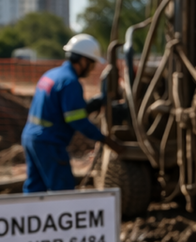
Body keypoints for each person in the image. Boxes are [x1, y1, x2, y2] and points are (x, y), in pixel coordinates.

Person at [22, 34, 123, 193]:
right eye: (91, 64)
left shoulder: (52, 74)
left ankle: (30, 216)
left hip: (31, 137)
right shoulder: (70, 82)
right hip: (49, 142)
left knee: (35, 188)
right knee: (63, 191)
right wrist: (105, 140)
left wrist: (91, 106)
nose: (91, 68)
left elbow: (60, 110)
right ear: (83, 61)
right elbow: (76, 120)